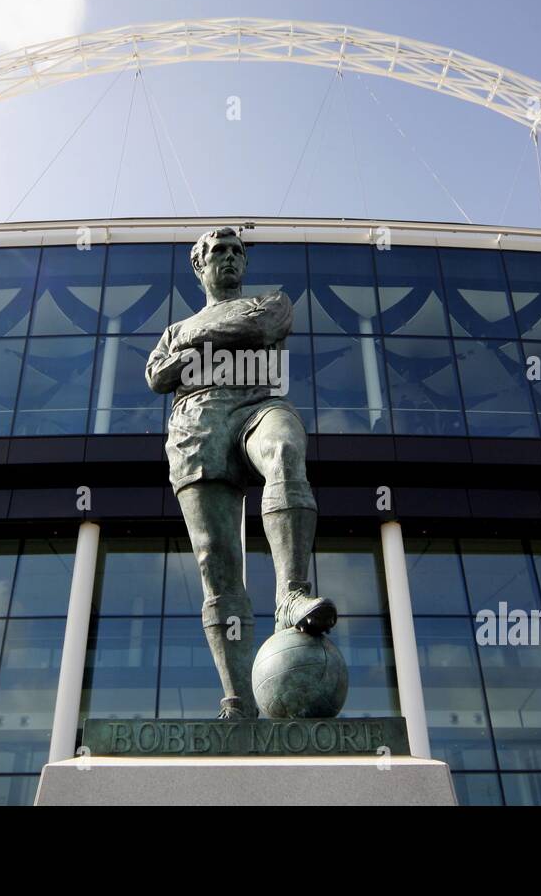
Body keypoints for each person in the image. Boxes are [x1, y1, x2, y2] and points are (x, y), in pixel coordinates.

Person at [146, 227, 336, 720]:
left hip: (258, 403)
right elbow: (156, 376)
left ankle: (291, 595)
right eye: (217, 252)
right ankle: (239, 698)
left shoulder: (269, 302)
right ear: (199, 265)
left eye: (236, 251)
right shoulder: (172, 331)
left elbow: (261, 329)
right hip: (196, 425)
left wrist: (193, 341)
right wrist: (198, 341)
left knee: (285, 452)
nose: (228, 258)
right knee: (216, 562)